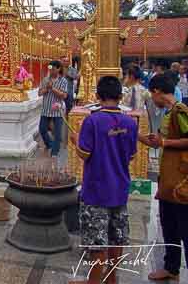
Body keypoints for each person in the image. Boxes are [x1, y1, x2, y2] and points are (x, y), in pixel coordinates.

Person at [69, 76, 138, 284]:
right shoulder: (130, 122)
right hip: (120, 188)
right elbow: (132, 155)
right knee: (116, 238)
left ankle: (93, 282)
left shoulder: (92, 121)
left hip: (96, 189)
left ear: (98, 96)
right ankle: (111, 279)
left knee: (96, 243)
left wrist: (74, 140)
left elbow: (85, 153)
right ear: (120, 96)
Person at [138, 74, 188, 282]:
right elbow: (160, 142)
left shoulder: (180, 111)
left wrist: (165, 143)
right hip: (168, 181)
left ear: (157, 91)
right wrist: (137, 136)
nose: (152, 98)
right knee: (169, 226)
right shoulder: (168, 113)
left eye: (152, 94)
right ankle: (171, 267)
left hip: (182, 181)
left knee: (185, 228)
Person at [38, 61, 68, 156]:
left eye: (53, 69)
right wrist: (46, 89)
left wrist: (53, 89)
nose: (51, 70)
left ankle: (55, 152)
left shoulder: (63, 81)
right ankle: (49, 144)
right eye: (50, 69)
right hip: (46, 109)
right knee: (42, 129)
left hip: (57, 110)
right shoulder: (45, 79)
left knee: (57, 133)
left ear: (58, 69)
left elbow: (64, 96)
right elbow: (39, 93)